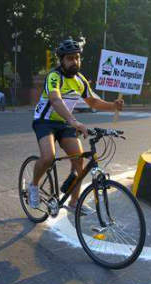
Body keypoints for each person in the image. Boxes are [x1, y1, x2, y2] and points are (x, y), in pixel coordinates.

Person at [28, 38, 124, 213]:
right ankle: (33, 186)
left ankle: (74, 202)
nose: (75, 61)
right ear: (62, 60)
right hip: (45, 121)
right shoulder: (54, 77)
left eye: (77, 58)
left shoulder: (80, 80)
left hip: (64, 123)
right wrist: (73, 121)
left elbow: (93, 101)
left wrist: (113, 106)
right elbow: (55, 100)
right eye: (70, 58)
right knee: (48, 157)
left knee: (79, 160)